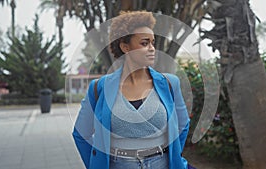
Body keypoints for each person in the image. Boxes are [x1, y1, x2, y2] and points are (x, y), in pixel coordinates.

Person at [72, 11, 190, 169]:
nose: (152, 48)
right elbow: (81, 134)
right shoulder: (99, 88)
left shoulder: (169, 83)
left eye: (153, 42)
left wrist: (173, 156)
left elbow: (183, 125)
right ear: (125, 47)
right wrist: (96, 164)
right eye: (144, 43)